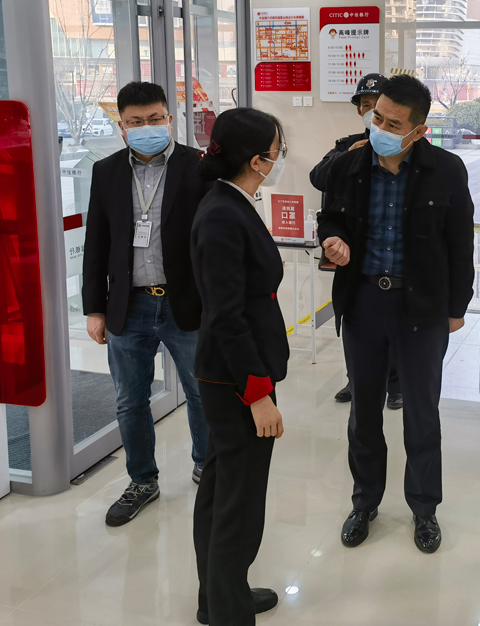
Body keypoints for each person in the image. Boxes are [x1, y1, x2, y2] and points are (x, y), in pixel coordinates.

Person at [319, 74, 474, 554]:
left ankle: (424, 508)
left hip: (420, 306)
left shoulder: (446, 170)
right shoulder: (351, 163)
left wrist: (457, 307)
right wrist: (332, 239)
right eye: (377, 117)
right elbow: (330, 216)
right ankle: (364, 502)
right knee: (364, 412)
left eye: (393, 124)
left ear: (418, 130)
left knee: (422, 414)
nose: (380, 129)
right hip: (363, 301)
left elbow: (460, 243)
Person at [82, 80, 210, 527]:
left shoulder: (199, 167)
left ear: (169, 119)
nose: (147, 127)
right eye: (136, 122)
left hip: (186, 301)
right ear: (122, 126)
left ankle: (206, 465)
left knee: (202, 393)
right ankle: (142, 480)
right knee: (129, 400)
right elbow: (96, 243)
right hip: (129, 305)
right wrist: (95, 308)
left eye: (155, 119)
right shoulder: (107, 171)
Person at [190, 108, 290, 626]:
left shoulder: (230, 202)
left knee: (221, 488)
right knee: (239, 501)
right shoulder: (223, 215)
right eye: (276, 151)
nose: (279, 159)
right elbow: (226, 317)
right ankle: (229, 611)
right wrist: (258, 394)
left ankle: (218, 597)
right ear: (257, 160)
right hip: (235, 379)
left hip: (232, 371)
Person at [309, 72, 403, 409]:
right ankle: (355, 379)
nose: (370, 111)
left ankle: (395, 385)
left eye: (376, 104)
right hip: (356, 257)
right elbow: (318, 177)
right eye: (365, 105)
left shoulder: (406, 148)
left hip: (395, 259)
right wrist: (348, 155)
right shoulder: (346, 145)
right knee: (357, 327)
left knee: (396, 326)